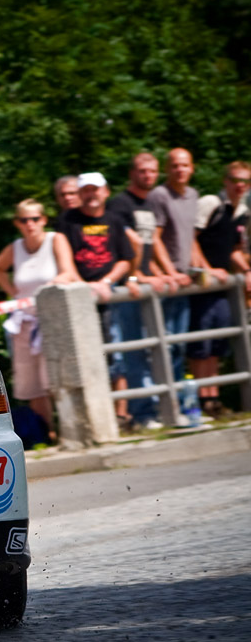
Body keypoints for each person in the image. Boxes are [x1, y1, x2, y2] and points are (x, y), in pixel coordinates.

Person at [0, 199, 79, 439]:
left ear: (44, 220)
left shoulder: (55, 240)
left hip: (52, 321)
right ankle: (46, 435)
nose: (30, 224)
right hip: (24, 322)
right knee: (33, 386)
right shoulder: (15, 247)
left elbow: (68, 272)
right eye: (24, 220)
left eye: (35, 219)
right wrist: (13, 293)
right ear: (18, 223)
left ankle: (70, 432)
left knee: (56, 379)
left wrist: (54, 283)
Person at [55, 173, 138, 431]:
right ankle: (96, 418)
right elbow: (64, 256)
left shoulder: (114, 220)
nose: (91, 195)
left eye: (95, 190)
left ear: (105, 191)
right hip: (80, 298)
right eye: (86, 190)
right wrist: (83, 285)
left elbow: (126, 257)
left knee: (116, 355)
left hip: (110, 296)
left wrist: (107, 281)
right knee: (84, 358)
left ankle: (122, 415)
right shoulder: (67, 221)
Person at [105, 153, 165, 429]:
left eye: (153, 171)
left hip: (145, 282)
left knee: (156, 347)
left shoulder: (151, 202)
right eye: (142, 171)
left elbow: (149, 245)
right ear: (132, 173)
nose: (148, 176)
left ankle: (158, 409)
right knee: (134, 349)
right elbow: (130, 245)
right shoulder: (120, 203)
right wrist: (136, 274)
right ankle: (142, 414)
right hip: (130, 285)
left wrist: (161, 273)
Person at [191, 161, 251, 417]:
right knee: (200, 343)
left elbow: (235, 250)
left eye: (245, 182)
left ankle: (213, 398)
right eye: (235, 180)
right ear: (225, 181)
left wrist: (247, 272)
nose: (240, 186)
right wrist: (207, 269)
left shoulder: (242, 212)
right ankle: (201, 399)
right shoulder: (210, 203)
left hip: (223, 284)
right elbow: (190, 238)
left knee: (216, 343)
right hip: (202, 283)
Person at [147, 148, 201, 389]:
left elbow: (191, 238)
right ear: (167, 169)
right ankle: (164, 399)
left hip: (185, 280)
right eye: (175, 165)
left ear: (192, 168)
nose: (180, 170)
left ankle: (180, 397)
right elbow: (154, 237)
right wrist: (170, 272)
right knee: (164, 342)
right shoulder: (159, 195)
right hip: (168, 281)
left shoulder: (192, 195)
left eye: (185, 165)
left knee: (179, 343)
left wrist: (207, 269)